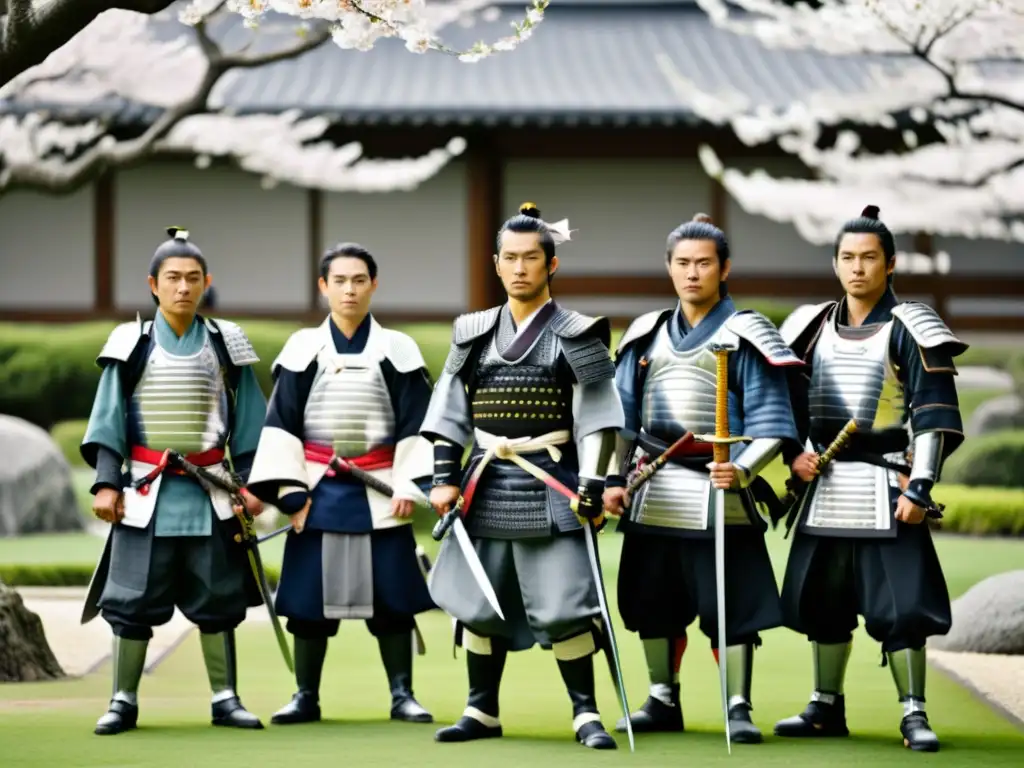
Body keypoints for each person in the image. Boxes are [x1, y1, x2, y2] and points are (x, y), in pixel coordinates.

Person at [421, 202, 625, 749]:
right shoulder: (473, 331)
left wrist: (594, 485)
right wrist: (443, 476)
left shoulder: (577, 333)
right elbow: (448, 412)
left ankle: (585, 713)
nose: (519, 268)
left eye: (530, 258)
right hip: (485, 480)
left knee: (564, 604)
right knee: (480, 603)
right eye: (509, 258)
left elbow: (599, 417)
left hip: (553, 481)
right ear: (495, 263)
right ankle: (480, 709)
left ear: (550, 265)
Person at [772, 205, 967, 752]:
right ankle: (824, 706)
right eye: (848, 258)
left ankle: (913, 712)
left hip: (888, 483)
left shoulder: (911, 327)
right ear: (835, 264)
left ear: (891, 263)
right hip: (825, 484)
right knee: (822, 600)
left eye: (869, 258)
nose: (857, 268)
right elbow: (783, 403)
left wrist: (920, 486)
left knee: (902, 604)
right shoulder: (809, 326)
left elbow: (933, 412)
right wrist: (793, 454)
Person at [602, 213, 803, 744]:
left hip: (722, 490)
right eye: (683, 263)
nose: (693, 274)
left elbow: (772, 423)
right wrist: (612, 479)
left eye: (704, 264)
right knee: (652, 601)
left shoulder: (746, 335)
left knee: (731, 604)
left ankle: (737, 704)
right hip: (653, 485)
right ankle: (662, 698)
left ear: (725, 268)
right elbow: (621, 420)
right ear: (669, 268)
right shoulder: (645, 334)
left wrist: (742, 469)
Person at [80, 226, 268, 735]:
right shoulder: (130, 343)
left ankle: (226, 698)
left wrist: (253, 483)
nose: (183, 287)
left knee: (219, 598)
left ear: (206, 282)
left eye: (192, 278)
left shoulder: (227, 345)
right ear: (153, 284)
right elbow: (107, 419)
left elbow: (250, 421)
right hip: (145, 491)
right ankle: (122, 699)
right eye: (172, 278)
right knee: (131, 601)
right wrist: (105, 483)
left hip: (212, 493)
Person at [245, 242, 437, 726]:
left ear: (374, 284)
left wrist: (410, 486)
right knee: (308, 603)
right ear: (323, 287)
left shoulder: (399, 349)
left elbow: (418, 423)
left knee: (393, 599)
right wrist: (290, 493)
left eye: (358, 280)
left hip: (381, 488)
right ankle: (305, 695)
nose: (349, 290)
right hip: (315, 487)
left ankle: (402, 694)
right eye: (339, 281)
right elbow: (282, 423)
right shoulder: (302, 348)